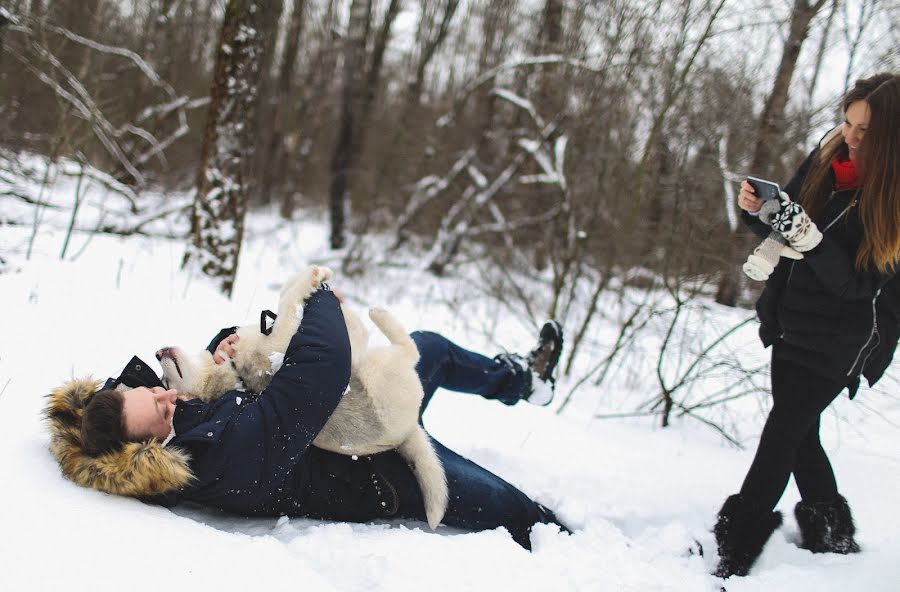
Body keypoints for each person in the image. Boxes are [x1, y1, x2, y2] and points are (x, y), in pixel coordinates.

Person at [70, 284, 567, 550]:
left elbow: (222, 393)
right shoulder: (215, 459)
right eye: (158, 411)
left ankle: (524, 382)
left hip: (363, 406)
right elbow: (316, 377)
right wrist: (318, 296)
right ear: (147, 451)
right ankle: (576, 544)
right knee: (512, 507)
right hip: (383, 468)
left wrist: (223, 345)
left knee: (430, 349)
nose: (167, 397)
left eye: (155, 391)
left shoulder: (168, 421)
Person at [712, 73, 900, 578]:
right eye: (848, 121)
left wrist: (810, 238)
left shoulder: (894, 196)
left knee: (781, 433)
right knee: (800, 433)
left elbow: (859, 286)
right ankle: (831, 534)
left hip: (848, 337)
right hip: (792, 316)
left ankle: (734, 553)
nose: (852, 136)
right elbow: (788, 221)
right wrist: (759, 212)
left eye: (866, 130)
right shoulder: (829, 158)